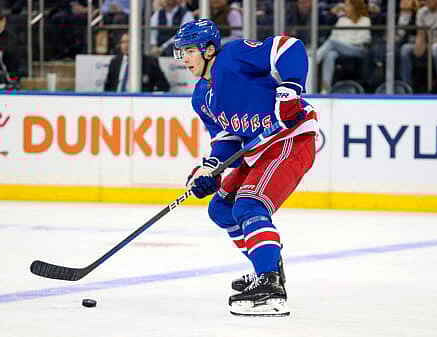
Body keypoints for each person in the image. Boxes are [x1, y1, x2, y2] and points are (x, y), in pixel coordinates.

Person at [173, 19, 318, 316]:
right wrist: (211, 170)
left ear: (209, 50)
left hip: (289, 139)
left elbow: (288, 46)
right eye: (181, 52)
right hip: (257, 151)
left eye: (189, 50)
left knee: (249, 205)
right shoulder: (201, 97)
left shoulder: (234, 56)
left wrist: (290, 89)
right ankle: (267, 267)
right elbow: (228, 140)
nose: (184, 59)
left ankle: (270, 286)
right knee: (221, 209)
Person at [316, 0, 371, 93]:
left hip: (358, 49)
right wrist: (341, 43)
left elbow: (363, 39)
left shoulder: (365, 20)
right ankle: (325, 88)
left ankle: (312, 60)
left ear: (355, 7)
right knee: (330, 54)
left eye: (347, 5)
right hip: (340, 48)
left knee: (332, 43)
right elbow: (334, 35)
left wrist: (341, 42)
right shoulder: (342, 20)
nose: (344, 8)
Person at [104, 32, 170, 92]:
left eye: (128, 42)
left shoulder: (149, 62)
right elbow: (108, 86)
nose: (125, 45)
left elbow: (164, 86)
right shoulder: (115, 62)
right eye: (123, 42)